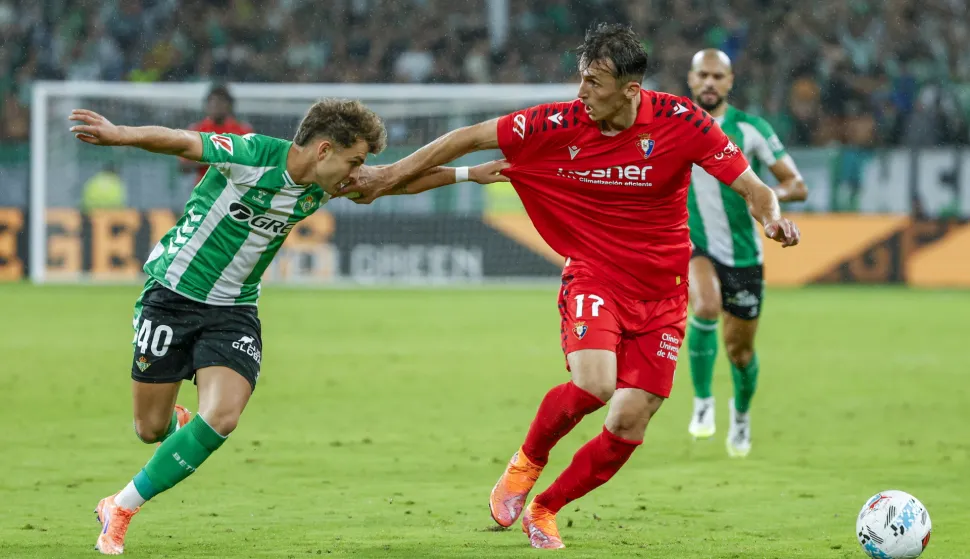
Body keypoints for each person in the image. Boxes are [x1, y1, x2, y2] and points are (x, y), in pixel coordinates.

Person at [338, 23, 800, 550]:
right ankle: (526, 462)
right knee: (595, 386)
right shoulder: (559, 120)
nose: (582, 93)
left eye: (595, 83)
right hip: (595, 274)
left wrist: (771, 220)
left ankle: (545, 508)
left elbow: (755, 188)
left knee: (630, 420)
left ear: (631, 90)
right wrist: (387, 174)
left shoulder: (681, 120)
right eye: (581, 78)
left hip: (663, 291)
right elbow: (465, 139)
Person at [68, 100, 508, 555]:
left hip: (234, 310)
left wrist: (467, 175)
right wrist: (122, 133)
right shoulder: (253, 155)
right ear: (323, 150)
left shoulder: (327, 182)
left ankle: (119, 507)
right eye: (354, 160)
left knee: (223, 416)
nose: (358, 172)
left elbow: (393, 183)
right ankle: (177, 424)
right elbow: (183, 141)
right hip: (172, 297)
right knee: (149, 429)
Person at [684, 49, 808, 457]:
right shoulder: (677, 125)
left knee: (740, 352)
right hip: (696, 244)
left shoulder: (751, 130)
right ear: (690, 78)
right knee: (704, 306)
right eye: (702, 75)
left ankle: (740, 415)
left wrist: (768, 198)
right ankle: (703, 402)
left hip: (743, 254)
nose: (709, 83)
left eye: (717, 76)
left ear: (730, 81)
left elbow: (796, 184)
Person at [180, 84, 254, 184]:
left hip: (235, 192)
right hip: (205, 193)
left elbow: (253, 165)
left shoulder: (243, 131)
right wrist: (211, 159)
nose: (215, 106)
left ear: (229, 105)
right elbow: (183, 166)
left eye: (220, 102)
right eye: (212, 102)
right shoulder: (196, 131)